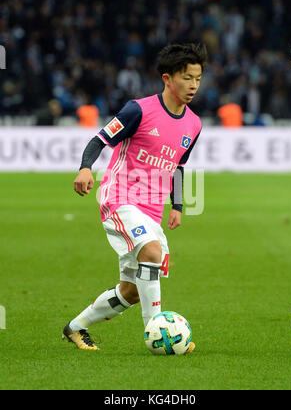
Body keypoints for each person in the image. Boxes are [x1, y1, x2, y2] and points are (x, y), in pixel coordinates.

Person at [62, 42, 208, 353]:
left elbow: (178, 166)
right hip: (120, 197)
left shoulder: (193, 124)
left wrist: (178, 206)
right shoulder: (138, 110)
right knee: (152, 252)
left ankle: (76, 328)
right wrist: (85, 168)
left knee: (132, 290)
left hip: (152, 210)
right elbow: (99, 139)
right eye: (187, 77)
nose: (193, 85)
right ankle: (158, 333)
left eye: (197, 78)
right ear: (167, 78)